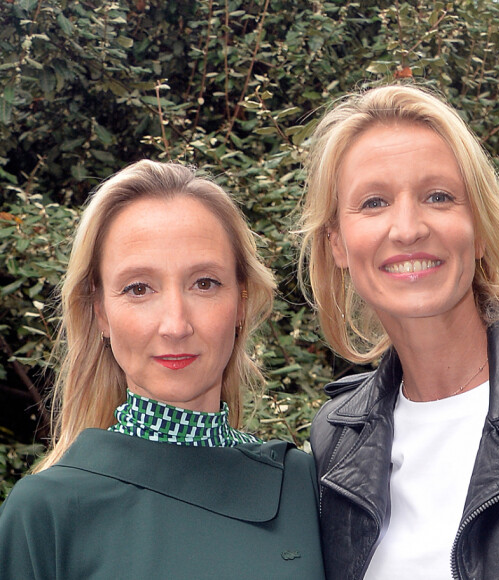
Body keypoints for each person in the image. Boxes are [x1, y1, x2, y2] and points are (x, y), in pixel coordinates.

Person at [299, 84, 499, 580]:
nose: (407, 228)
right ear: (338, 244)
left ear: (478, 228)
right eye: (373, 202)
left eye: (438, 196)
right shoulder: (335, 439)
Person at [0, 160, 325, 579]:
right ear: (100, 311)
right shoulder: (45, 515)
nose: (175, 325)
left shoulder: (306, 487)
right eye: (139, 288)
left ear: (242, 301)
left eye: (204, 283)